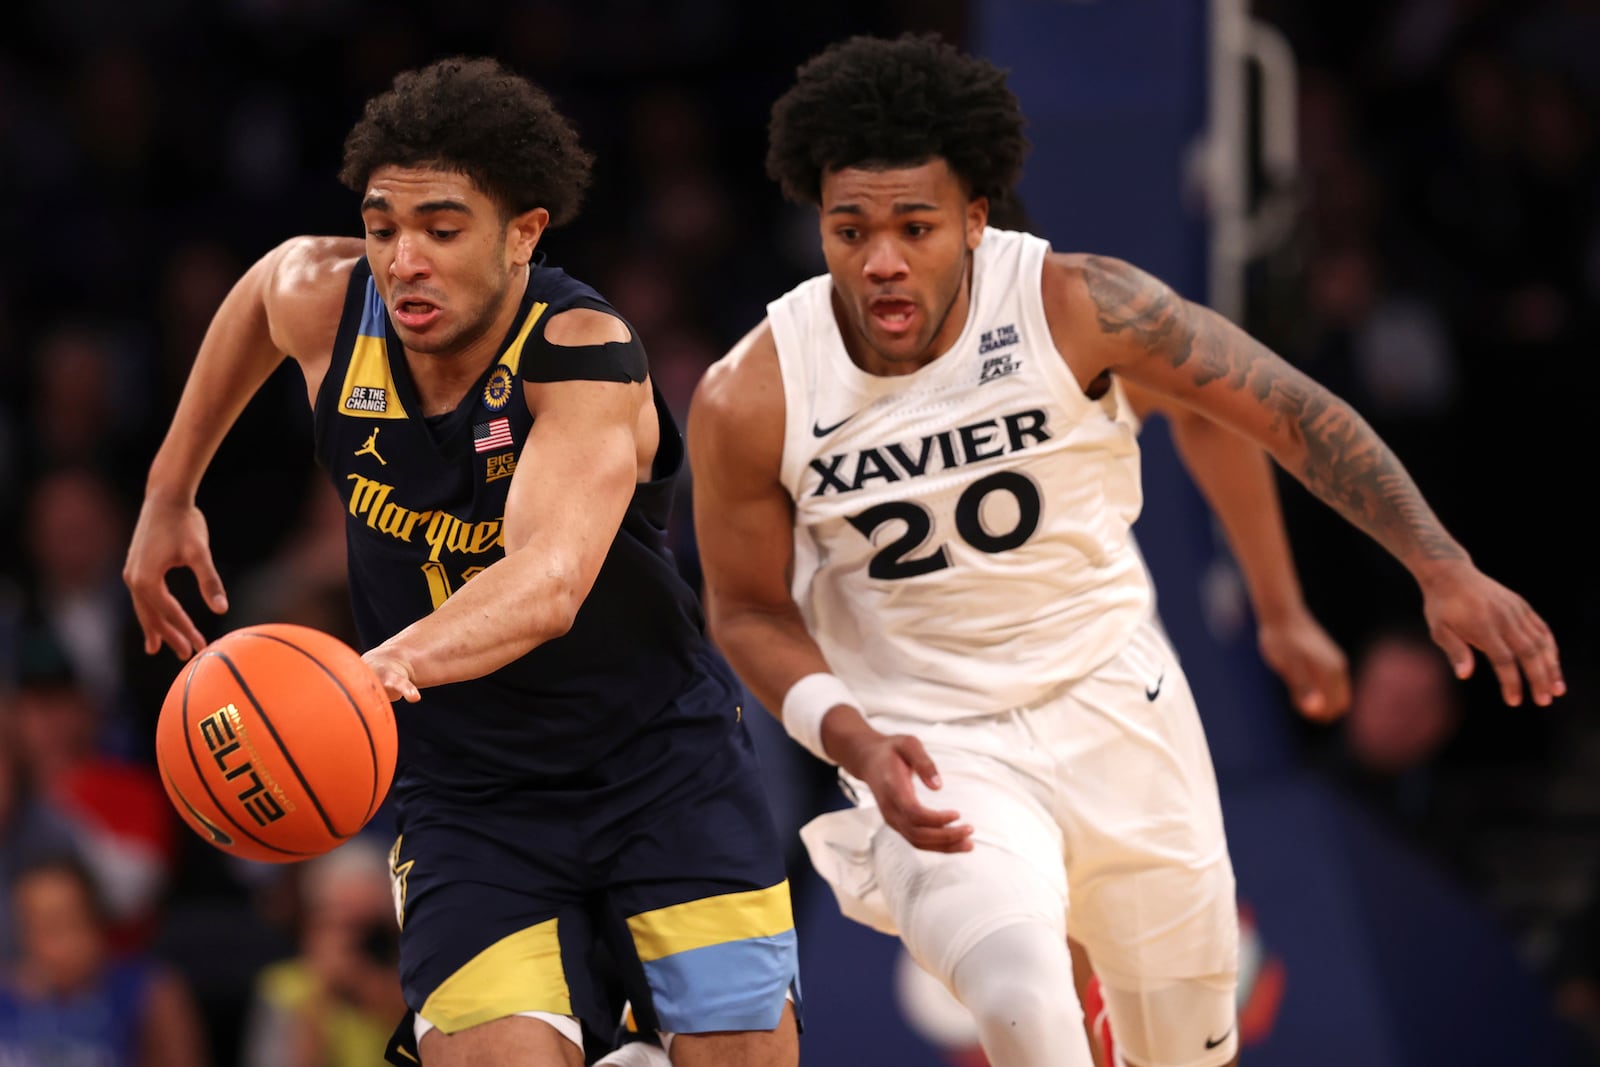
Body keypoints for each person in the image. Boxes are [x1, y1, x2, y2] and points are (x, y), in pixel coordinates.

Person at [685, 31, 1562, 1067]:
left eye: (913, 226)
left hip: (1115, 705)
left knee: (1188, 1046)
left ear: (973, 219)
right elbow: (743, 607)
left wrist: (1432, 566)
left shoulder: (1080, 306)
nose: (880, 258)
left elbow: (1269, 411)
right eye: (849, 227)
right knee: (1022, 1002)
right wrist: (849, 734)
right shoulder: (752, 392)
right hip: (932, 736)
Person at [122, 56, 799, 1067]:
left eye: (442, 228)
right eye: (385, 224)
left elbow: (551, 578)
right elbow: (260, 295)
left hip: (659, 765)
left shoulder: (581, 353)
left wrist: (384, 664)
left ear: (523, 233)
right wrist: (169, 494)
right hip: (470, 794)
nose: (404, 258)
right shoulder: (329, 299)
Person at [0, 854, 210, 1067]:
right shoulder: (6, 995)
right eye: (42, 927)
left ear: (96, 919)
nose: (59, 944)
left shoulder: (151, 992)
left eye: (67, 922)